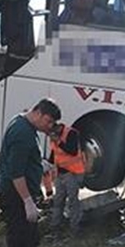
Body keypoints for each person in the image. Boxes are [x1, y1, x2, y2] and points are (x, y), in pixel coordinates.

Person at [0, 100, 58, 247]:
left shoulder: (24, 125)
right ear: (38, 113)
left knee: (30, 240)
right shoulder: (22, 133)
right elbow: (16, 173)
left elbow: (23, 160)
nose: (49, 127)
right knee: (19, 242)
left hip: (22, 193)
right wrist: (27, 201)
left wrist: (38, 164)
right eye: (48, 121)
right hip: (16, 196)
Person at [44, 101, 86, 239]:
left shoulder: (71, 133)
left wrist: (58, 141)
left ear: (56, 128)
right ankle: (55, 227)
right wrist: (47, 163)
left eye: (51, 134)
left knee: (73, 201)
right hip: (59, 173)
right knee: (58, 201)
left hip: (72, 173)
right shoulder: (53, 137)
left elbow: (72, 151)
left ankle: (75, 228)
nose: (50, 137)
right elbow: (55, 153)